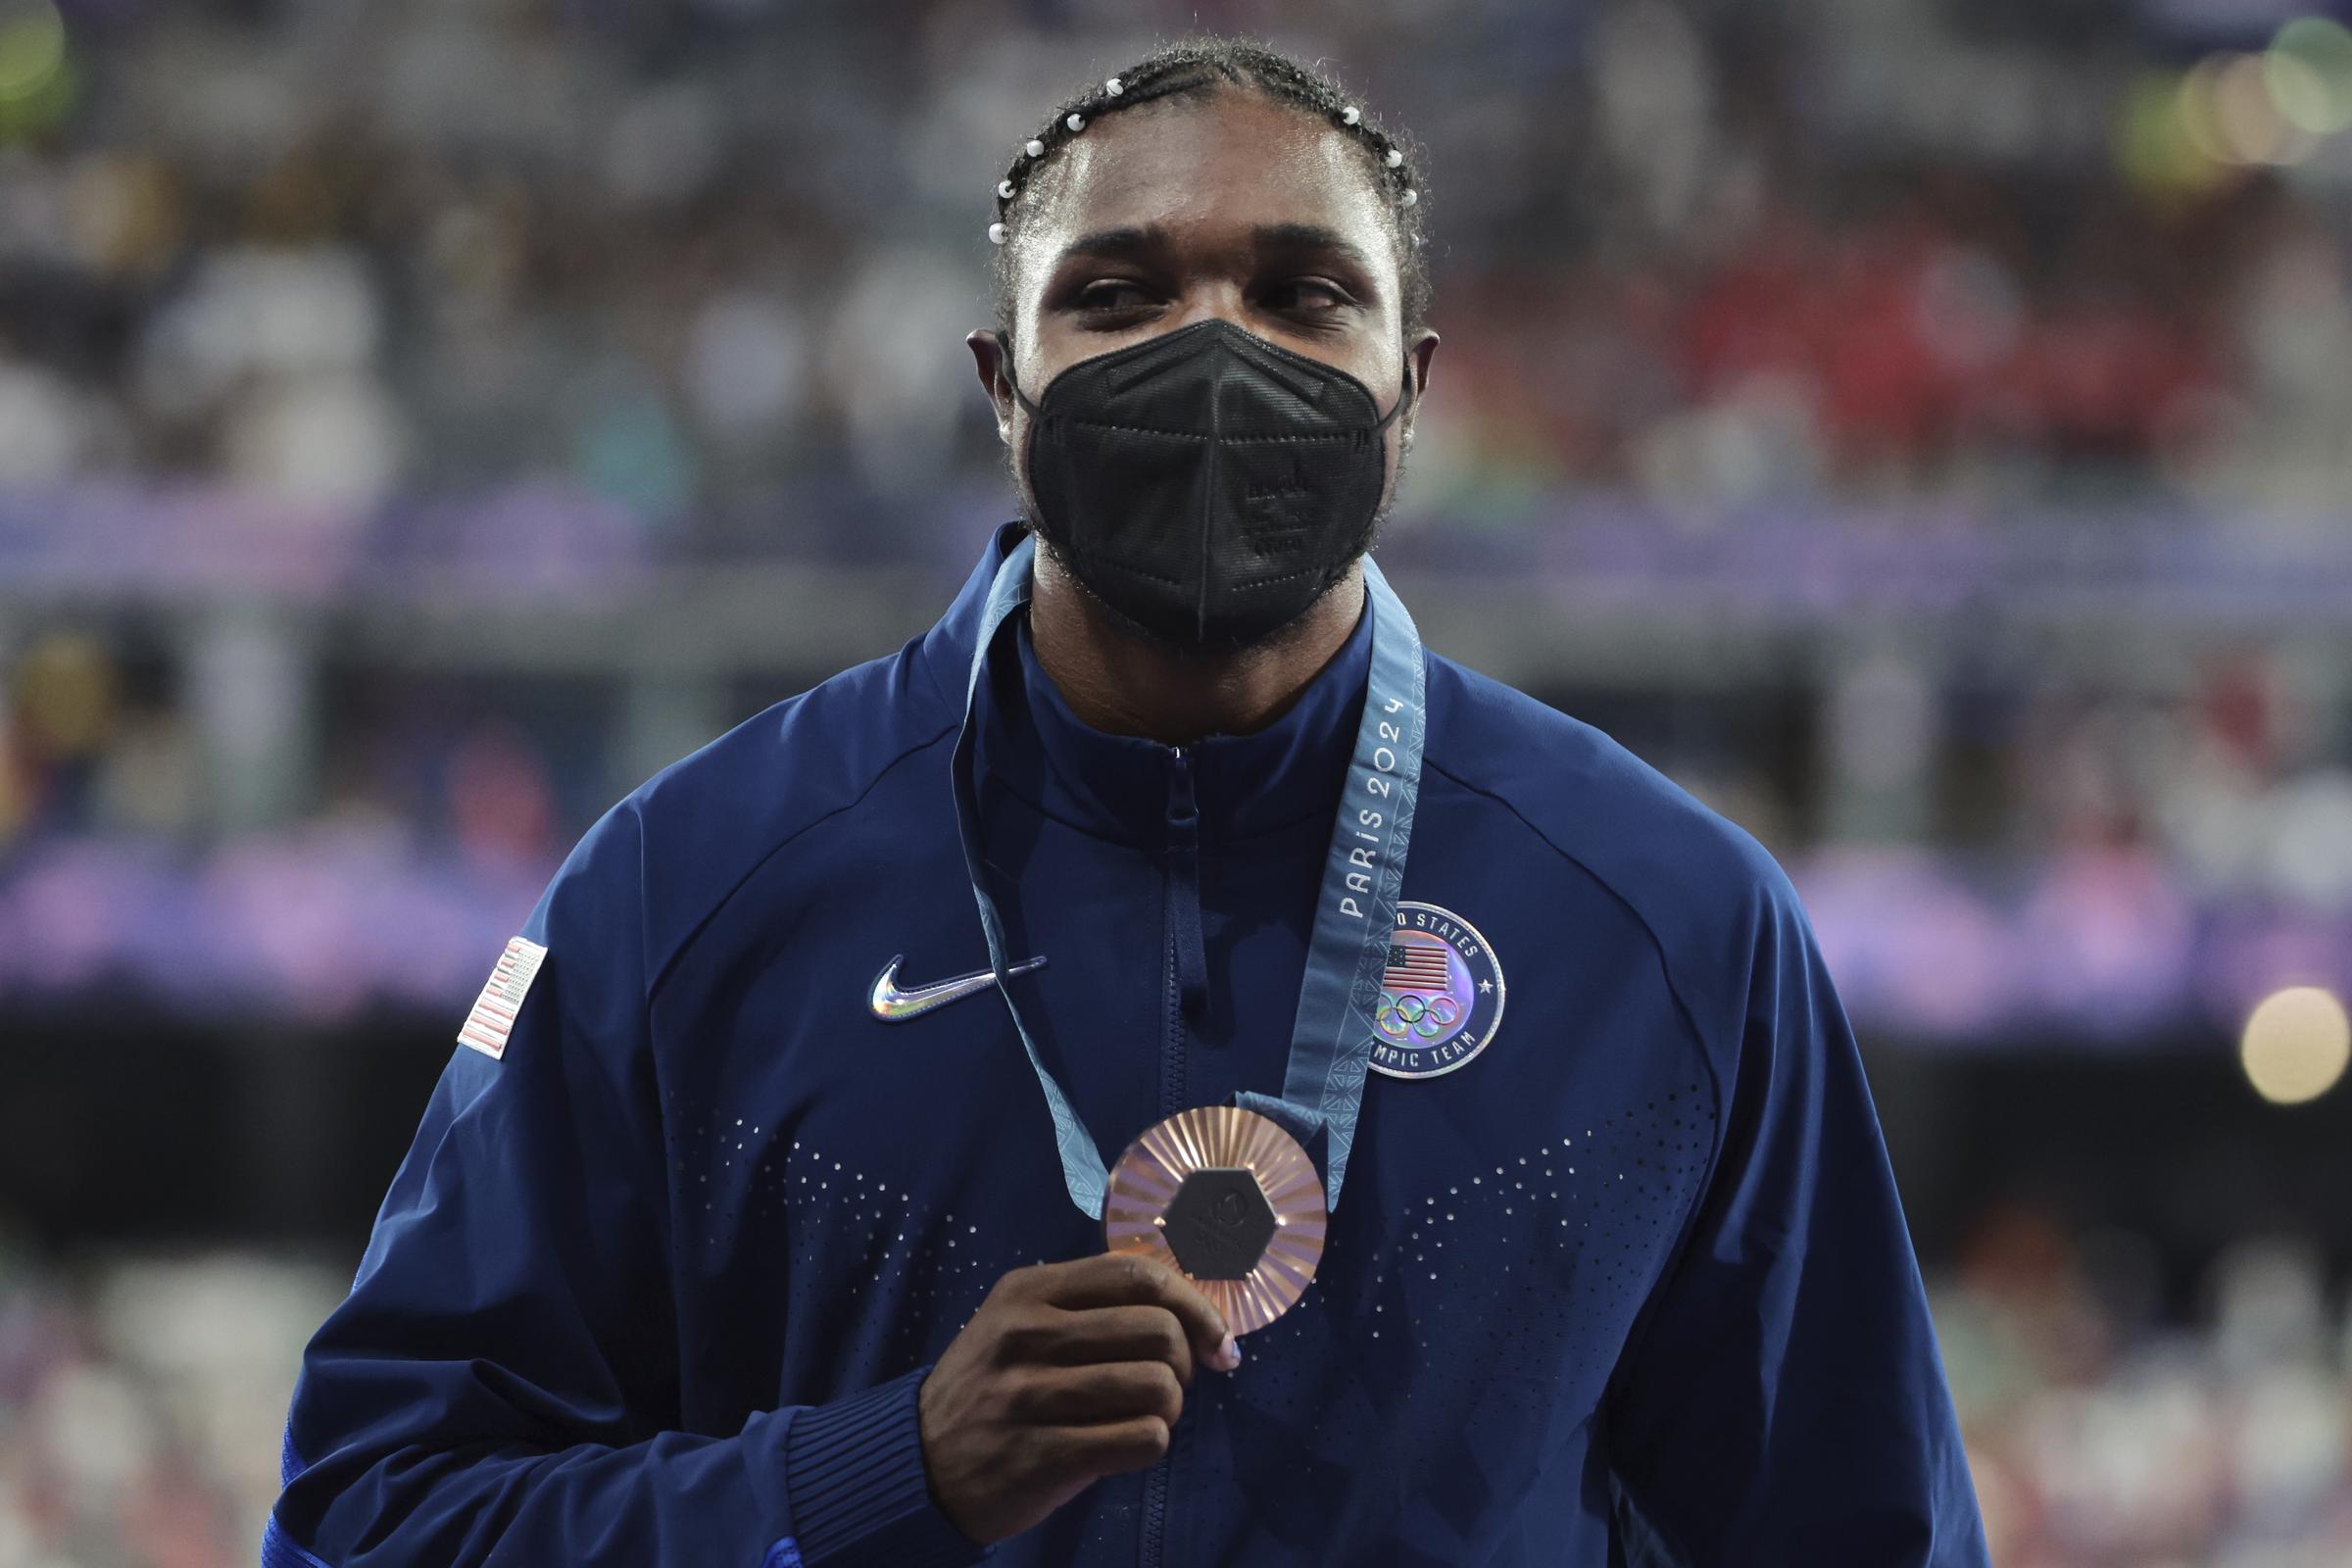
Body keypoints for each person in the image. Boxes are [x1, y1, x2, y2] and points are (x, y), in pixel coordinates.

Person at [264, 37, 1988, 1568]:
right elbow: (370, 1519)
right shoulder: (682, 890)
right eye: (1120, 294)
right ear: (1003, 388)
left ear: (1411, 389)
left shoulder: (1672, 928)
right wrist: (876, 1478)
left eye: (1307, 295)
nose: (1217, 355)